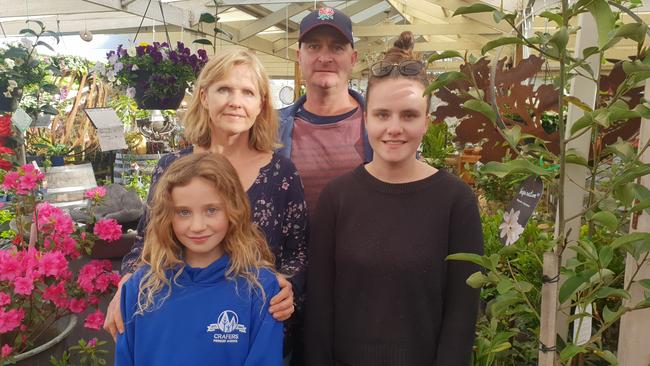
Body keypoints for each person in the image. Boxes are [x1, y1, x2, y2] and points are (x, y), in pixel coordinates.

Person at [105, 49, 307, 354]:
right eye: (224, 89)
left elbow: (299, 251)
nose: (235, 101)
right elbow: (147, 242)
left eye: (248, 92)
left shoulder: (280, 172)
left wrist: (285, 286)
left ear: (261, 104)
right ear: (203, 96)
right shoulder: (173, 168)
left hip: (253, 327)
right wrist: (127, 288)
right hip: (182, 322)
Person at [305, 31, 484, 366]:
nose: (394, 128)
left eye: (409, 115)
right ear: (366, 117)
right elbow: (319, 310)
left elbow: (461, 316)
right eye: (383, 114)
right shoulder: (338, 198)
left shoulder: (456, 202)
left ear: (427, 122)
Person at [115, 153, 283, 366]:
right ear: (167, 216)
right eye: (183, 212)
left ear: (234, 210)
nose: (197, 226)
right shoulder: (140, 288)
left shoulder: (260, 288)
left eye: (211, 210)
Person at [278, 7, 372, 216]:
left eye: (337, 47)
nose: (324, 57)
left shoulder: (378, 125)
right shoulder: (271, 127)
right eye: (314, 46)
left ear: (353, 58)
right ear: (299, 56)